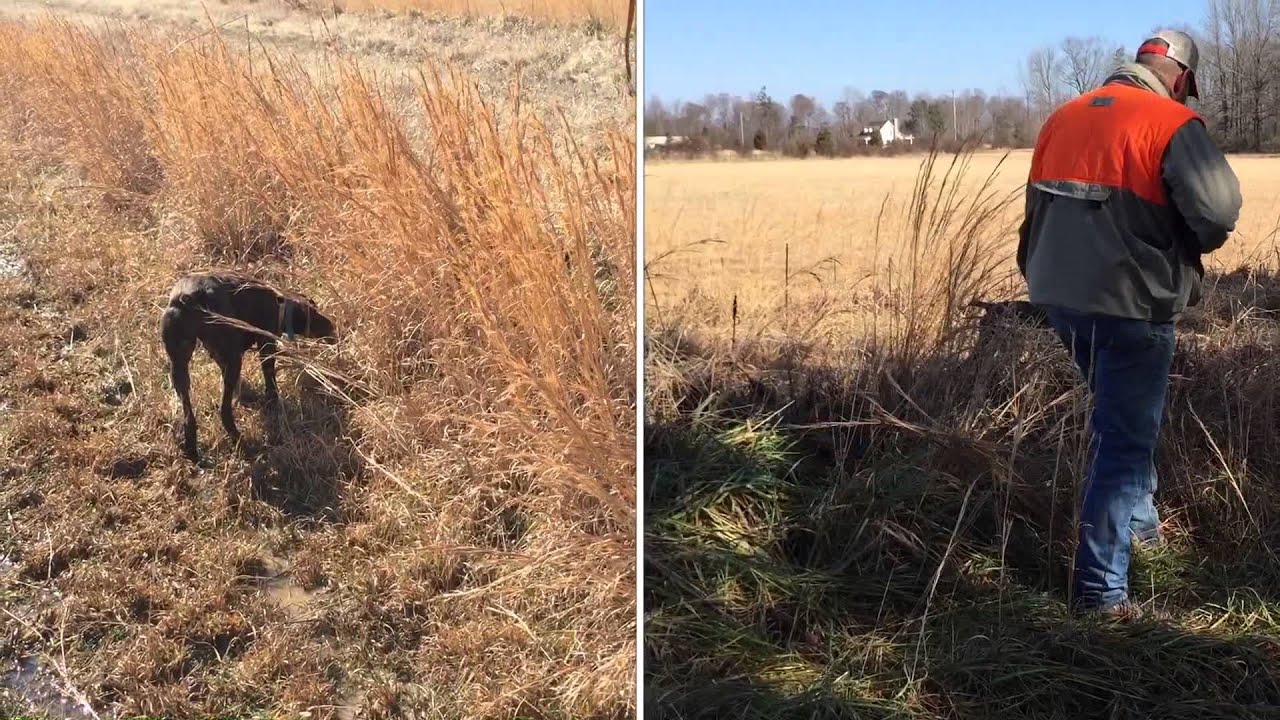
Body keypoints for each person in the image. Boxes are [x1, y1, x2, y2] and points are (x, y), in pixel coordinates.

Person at [1017, 29, 1242, 620]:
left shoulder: (1063, 118)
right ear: (1184, 78)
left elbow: (1034, 213)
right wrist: (1186, 246)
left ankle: (1143, 537)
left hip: (1059, 298)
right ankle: (1100, 596)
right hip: (1133, 303)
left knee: (1120, 420)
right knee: (1123, 442)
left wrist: (1041, 279)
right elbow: (1218, 212)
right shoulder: (1168, 122)